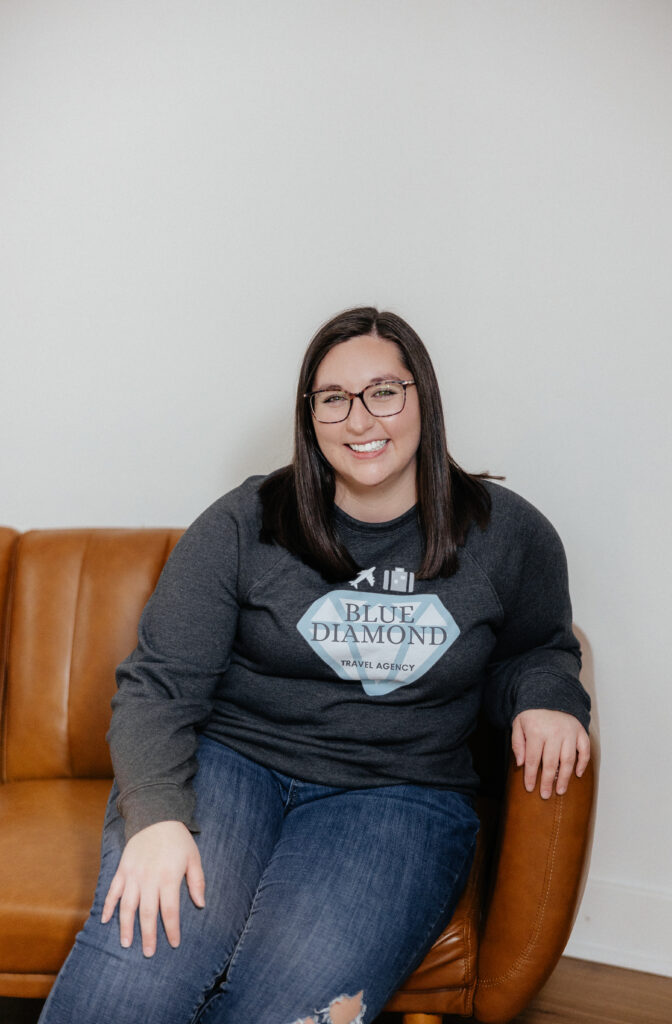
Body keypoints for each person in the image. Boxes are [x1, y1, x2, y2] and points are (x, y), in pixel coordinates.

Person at [38, 307, 590, 1024]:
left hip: (399, 793)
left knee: (283, 1008)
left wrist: (547, 695)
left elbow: (536, 648)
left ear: (422, 397)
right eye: (333, 398)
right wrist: (155, 819)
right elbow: (159, 685)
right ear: (310, 416)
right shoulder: (245, 521)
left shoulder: (508, 533)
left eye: (384, 392)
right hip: (233, 765)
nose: (360, 419)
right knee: (139, 974)